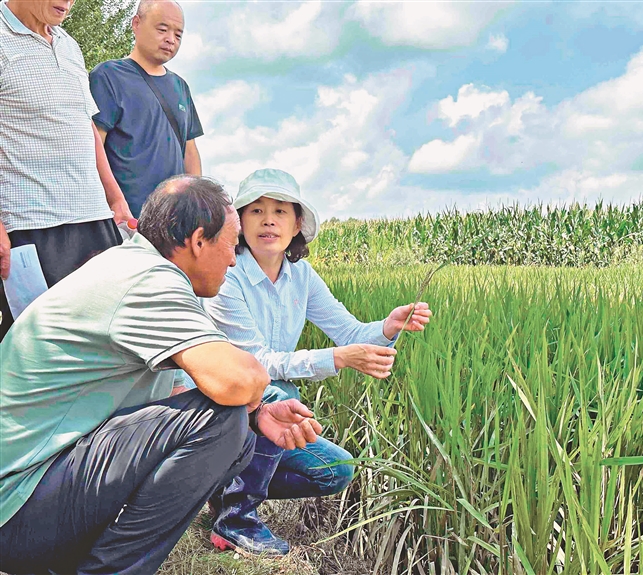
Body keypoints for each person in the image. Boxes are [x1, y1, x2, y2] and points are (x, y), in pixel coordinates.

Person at [0, 176, 322, 575]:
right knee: (220, 422)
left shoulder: (131, 264)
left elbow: (185, 387)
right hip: (15, 506)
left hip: (29, 493)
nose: (234, 259)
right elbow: (238, 380)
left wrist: (257, 415)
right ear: (198, 240)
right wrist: (250, 399)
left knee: (237, 430)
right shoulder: (148, 280)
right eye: (230, 243)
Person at [182, 168, 432, 555]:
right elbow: (257, 362)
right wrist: (337, 359)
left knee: (337, 469)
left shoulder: (301, 275)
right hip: (220, 404)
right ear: (240, 222)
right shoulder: (228, 275)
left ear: (297, 223)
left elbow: (348, 332)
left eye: (281, 211)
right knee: (277, 390)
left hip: (260, 409)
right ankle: (237, 518)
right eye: (257, 211)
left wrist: (387, 327)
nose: (269, 220)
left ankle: (221, 490)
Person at [0, 0, 133, 340]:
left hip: (94, 221)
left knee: (104, 345)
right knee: (35, 351)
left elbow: (84, 124)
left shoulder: (69, 44)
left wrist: (115, 198)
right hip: (31, 227)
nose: (69, 2)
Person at [89, 0, 204, 218]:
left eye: (178, 35)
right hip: (126, 218)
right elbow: (94, 145)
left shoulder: (181, 87)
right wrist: (111, 203)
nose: (170, 39)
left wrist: (196, 204)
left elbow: (190, 151)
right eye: (162, 29)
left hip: (174, 219)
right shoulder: (108, 76)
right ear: (136, 23)